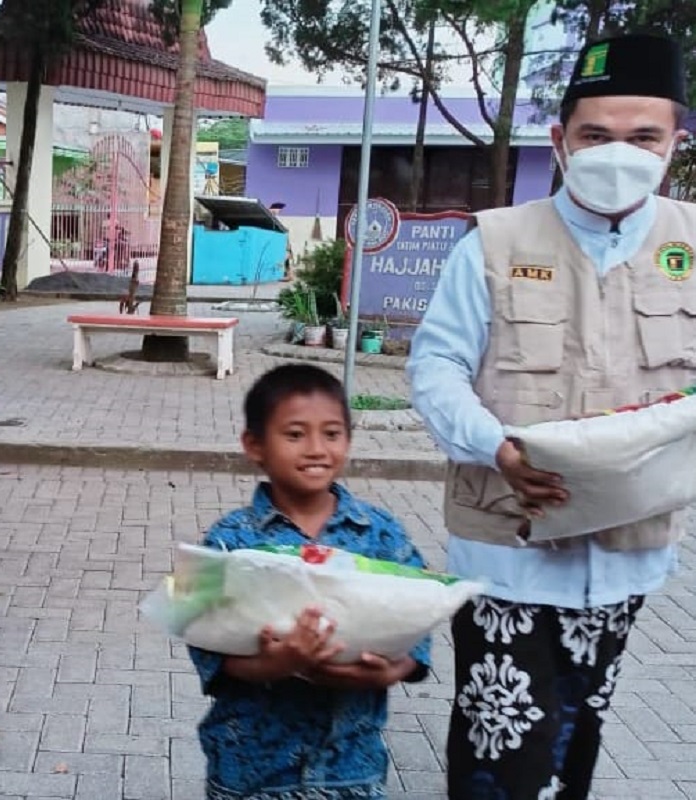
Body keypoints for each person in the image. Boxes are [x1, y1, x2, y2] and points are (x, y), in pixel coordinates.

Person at [407, 33, 692, 799]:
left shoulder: (693, 245)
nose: (618, 153)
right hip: (510, 550)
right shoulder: (496, 243)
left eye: (644, 137)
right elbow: (435, 369)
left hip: (627, 552)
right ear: (560, 139)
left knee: (577, 738)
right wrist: (495, 447)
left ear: (675, 143)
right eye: (596, 135)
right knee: (501, 748)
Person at [189, 364, 432, 799]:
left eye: (332, 433)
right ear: (255, 445)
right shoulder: (228, 540)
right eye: (295, 434)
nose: (317, 449)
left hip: (350, 770)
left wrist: (390, 670)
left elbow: (419, 625)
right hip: (253, 771)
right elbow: (203, 644)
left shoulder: (381, 533)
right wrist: (278, 665)